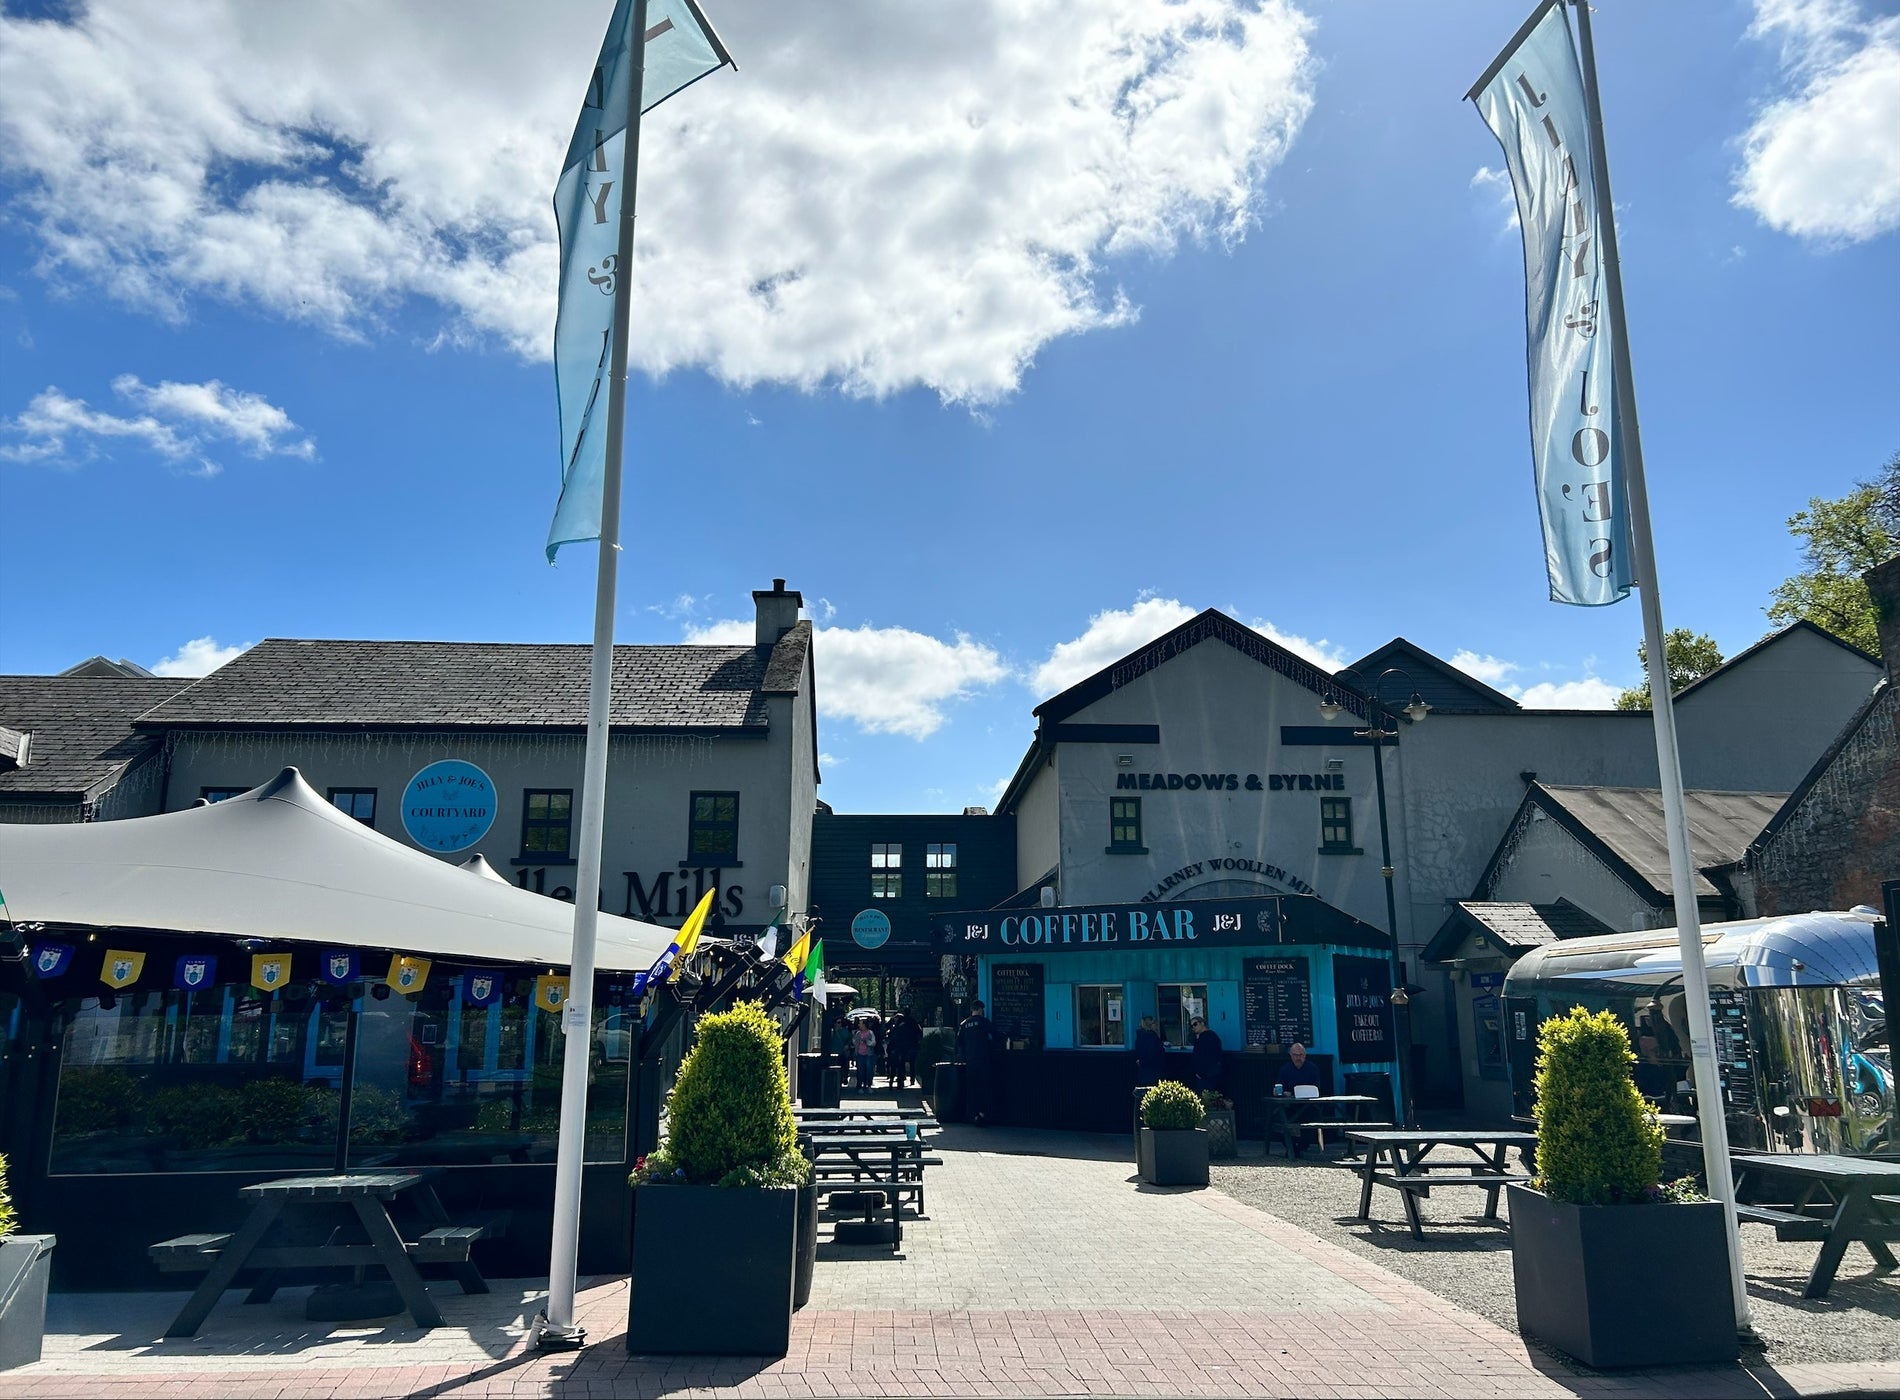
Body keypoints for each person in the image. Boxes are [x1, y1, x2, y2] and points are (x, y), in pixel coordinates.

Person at [1275, 1042, 1327, 1156]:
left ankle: (1303, 1147)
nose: (1298, 1058)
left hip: (1309, 1105)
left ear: (1305, 1055)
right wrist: (1283, 1092)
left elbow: (1316, 1087)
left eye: (1301, 1055)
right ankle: (1292, 1147)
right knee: (1280, 1120)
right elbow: (1279, 1086)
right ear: (1291, 1055)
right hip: (1291, 1106)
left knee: (1313, 1119)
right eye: (1295, 1055)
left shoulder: (1312, 1068)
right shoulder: (1285, 1069)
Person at [957, 999, 997, 1125]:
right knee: (985, 1088)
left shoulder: (964, 1024)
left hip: (970, 1061)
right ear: (980, 1009)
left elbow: (958, 1043)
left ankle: (973, 1115)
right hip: (984, 1060)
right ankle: (983, 1114)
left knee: (972, 1088)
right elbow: (995, 1036)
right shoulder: (984, 1022)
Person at [886, 1011, 922, 1088]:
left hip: (900, 1046)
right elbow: (919, 1032)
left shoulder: (899, 1025)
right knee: (912, 1063)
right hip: (912, 1045)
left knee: (900, 1063)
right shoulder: (913, 1022)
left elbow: (893, 1036)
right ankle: (911, 1079)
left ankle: (900, 1080)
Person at [1190, 1016, 1223, 1093]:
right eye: (1192, 1026)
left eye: (1195, 1024)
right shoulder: (1205, 1037)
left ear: (1202, 1023)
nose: (1193, 1027)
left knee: (1207, 1097)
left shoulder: (1208, 1037)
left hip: (1207, 1073)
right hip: (1208, 1073)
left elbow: (1205, 1056)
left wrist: (1201, 1072)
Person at [1133, 1014, 1166, 1086]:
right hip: (1154, 1072)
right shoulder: (1152, 1038)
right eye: (1154, 1023)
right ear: (1150, 1024)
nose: (1157, 1025)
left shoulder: (1139, 1037)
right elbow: (1154, 1054)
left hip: (1143, 1073)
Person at [851, 1016, 880, 1092]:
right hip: (860, 1054)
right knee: (860, 1071)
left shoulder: (870, 1033)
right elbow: (854, 1042)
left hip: (869, 1054)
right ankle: (860, 1086)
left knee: (869, 1070)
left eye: (860, 1024)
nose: (859, 1025)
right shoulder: (858, 1033)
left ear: (864, 1025)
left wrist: (867, 1042)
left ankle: (868, 1085)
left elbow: (873, 1043)